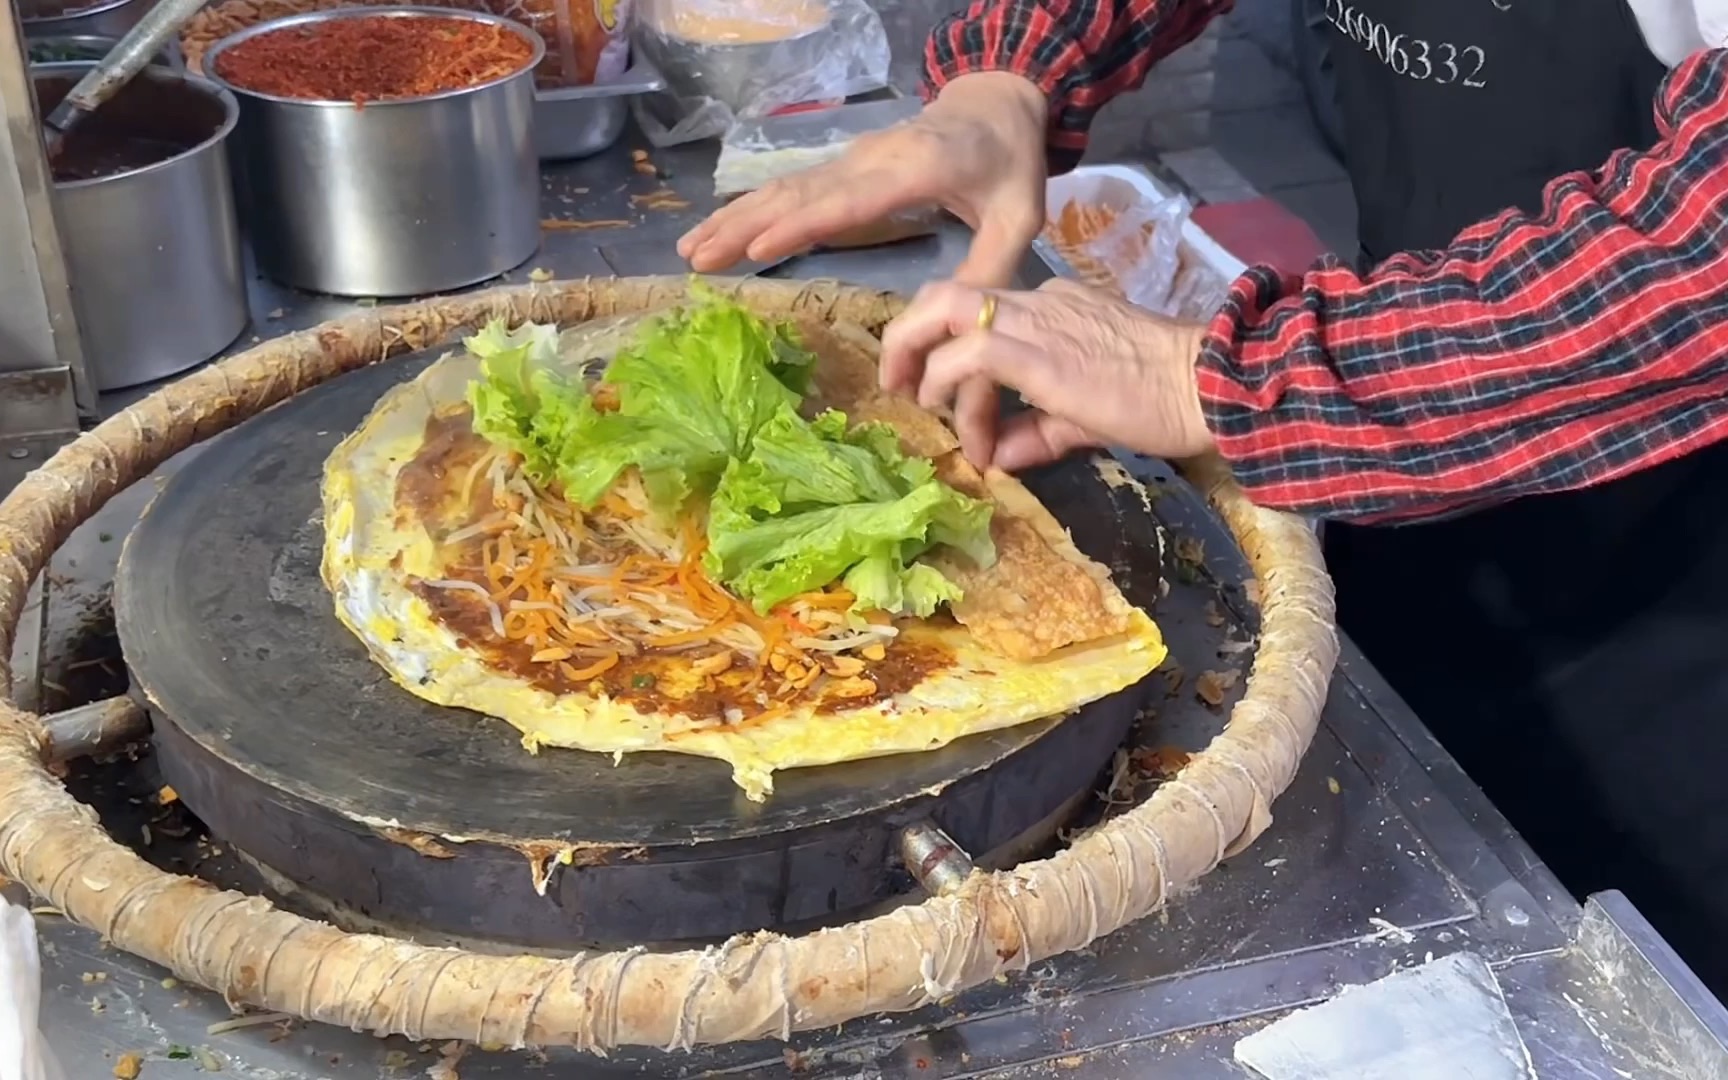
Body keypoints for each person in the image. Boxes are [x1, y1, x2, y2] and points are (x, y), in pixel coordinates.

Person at [679, 3, 1728, 989]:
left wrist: (1233, 379)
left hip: (1683, 574)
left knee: (1619, 962)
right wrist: (1016, 69)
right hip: (1407, 473)